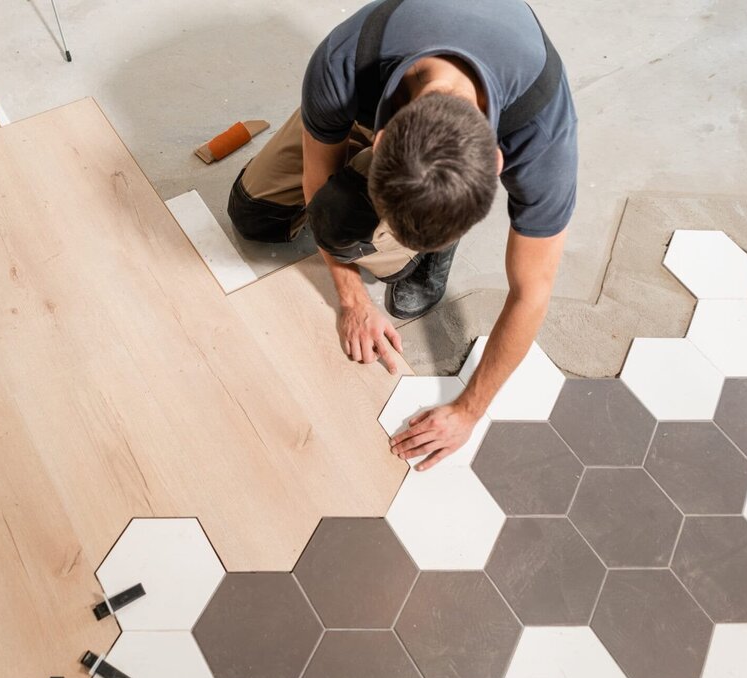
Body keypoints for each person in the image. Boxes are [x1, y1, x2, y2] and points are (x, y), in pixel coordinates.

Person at [228, 0, 578, 470]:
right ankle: (402, 195)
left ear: (497, 162)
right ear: (381, 136)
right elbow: (319, 185)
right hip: (367, 94)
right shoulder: (343, 63)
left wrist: (468, 410)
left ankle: (438, 221)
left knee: (357, 225)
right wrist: (352, 299)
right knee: (255, 216)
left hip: (462, 91)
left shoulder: (541, 135)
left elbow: (531, 292)